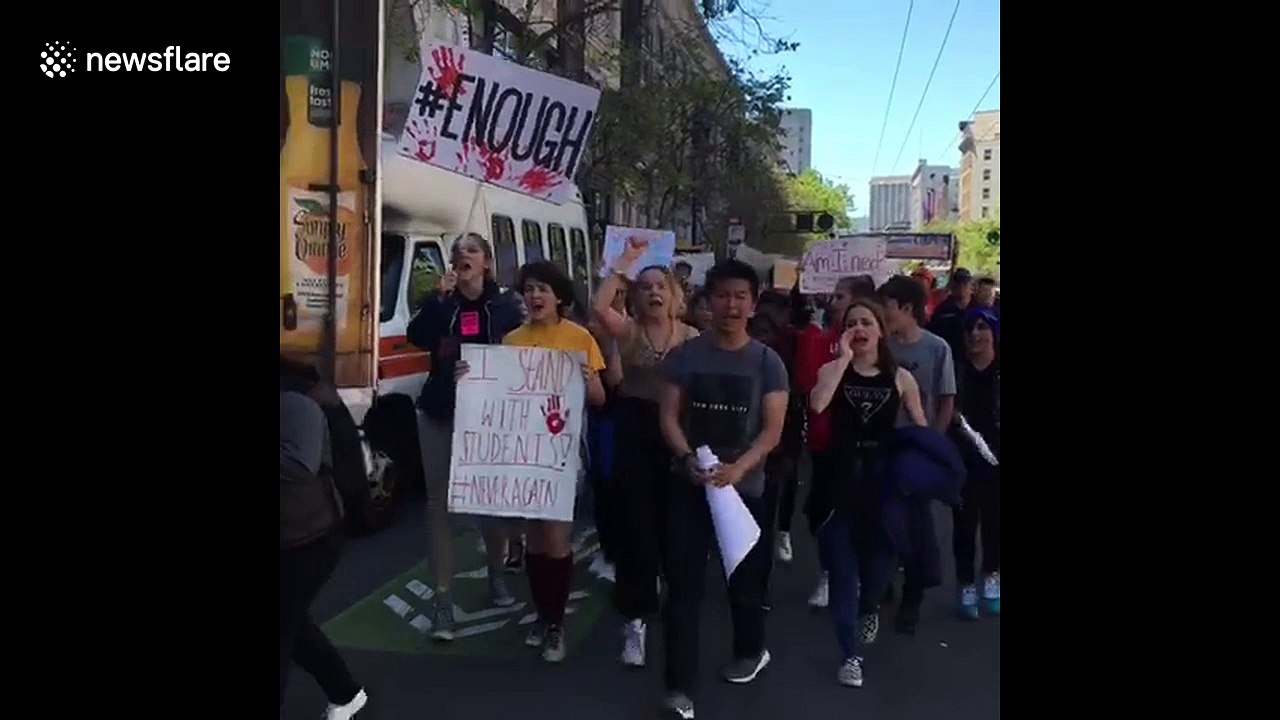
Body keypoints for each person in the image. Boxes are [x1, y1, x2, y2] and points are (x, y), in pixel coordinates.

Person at [655, 259, 789, 720]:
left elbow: (771, 432)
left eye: (740, 297)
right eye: (722, 296)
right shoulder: (685, 356)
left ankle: (751, 651)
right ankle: (678, 687)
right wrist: (684, 457)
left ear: (752, 304)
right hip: (689, 487)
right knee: (684, 588)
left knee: (744, 586)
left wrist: (740, 468)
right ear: (707, 302)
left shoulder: (768, 363)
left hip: (745, 493)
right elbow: (669, 417)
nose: (730, 305)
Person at [457, 260, 607, 663]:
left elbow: (599, 400)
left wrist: (587, 377)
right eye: (528, 290)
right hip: (523, 456)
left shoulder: (580, 338)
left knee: (557, 541)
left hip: (562, 455)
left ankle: (556, 623)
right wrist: (470, 378)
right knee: (535, 542)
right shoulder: (511, 341)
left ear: (559, 296)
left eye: (542, 289)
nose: (535, 296)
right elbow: (497, 396)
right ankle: (543, 614)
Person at [406, 232, 525, 641]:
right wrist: (438, 300)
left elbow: (527, 353)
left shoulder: (507, 306)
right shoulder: (443, 304)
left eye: (471, 250)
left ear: (487, 263)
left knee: (487, 503)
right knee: (438, 505)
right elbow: (416, 336)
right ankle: (443, 601)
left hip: (488, 418)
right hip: (440, 411)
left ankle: (497, 575)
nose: (462, 256)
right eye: (458, 252)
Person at [807, 300, 927, 688]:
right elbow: (818, 404)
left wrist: (922, 470)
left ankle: (871, 605)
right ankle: (850, 656)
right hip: (838, 487)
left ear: (880, 331)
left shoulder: (900, 377)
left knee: (876, 574)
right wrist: (842, 359)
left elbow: (920, 428)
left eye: (866, 322)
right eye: (851, 324)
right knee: (843, 574)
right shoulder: (832, 370)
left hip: (884, 489)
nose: (859, 329)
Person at [593, 247, 700, 668]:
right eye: (647, 287)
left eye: (662, 286)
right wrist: (622, 266)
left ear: (675, 296)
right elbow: (600, 306)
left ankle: (675, 607)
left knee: (675, 525)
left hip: (679, 432)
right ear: (636, 297)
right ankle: (635, 619)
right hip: (635, 429)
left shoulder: (692, 338)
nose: (654, 292)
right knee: (635, 523)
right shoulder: (630, 331)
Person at [281, 373, 368, 719]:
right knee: (291, 622)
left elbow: (300, 464)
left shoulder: (296, 402)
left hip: (309, 537)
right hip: (291, 533)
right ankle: (345, 692)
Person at [876, 275, 957, 635]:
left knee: (918, 528)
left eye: (887, 307)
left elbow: (945, 400)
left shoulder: (937, 348)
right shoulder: (881, 348)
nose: (882, 315)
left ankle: (913, 596)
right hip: (881, 446)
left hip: (917, 451)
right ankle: (883, 586)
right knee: (882, 520)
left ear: (906, 308)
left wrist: (932, 443)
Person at [794, 275, 876, 611]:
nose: (833, 301)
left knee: (863, 514)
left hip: (867, 450)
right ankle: (831, 572)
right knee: (822, 513)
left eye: (840, 296)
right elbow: (805, 385)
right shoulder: (818, 341)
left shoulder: (882, 352)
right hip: (825, 444)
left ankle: (859, 575)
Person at [952, 307, 1001, 620]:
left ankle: (992, 575)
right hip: (963, 458)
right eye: (970, 328)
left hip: (997, 458)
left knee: (996, 523)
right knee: (964, 525)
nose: (974, 334)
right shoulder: (957, 370)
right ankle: (966, 583)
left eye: (981, 327)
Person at [927, 267, 974, 369]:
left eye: (965, 284)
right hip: (949, 361)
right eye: (958, 284)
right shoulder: (943, 310)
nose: (961, 287)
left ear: (971, 287)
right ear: (952, 287)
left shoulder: (978, 309)